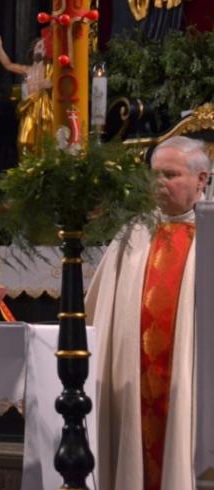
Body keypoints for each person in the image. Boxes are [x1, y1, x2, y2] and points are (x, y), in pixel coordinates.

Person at [86, 135, 210, 490]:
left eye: (170, 175)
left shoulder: (211, 233)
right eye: (154, 174)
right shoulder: (134, 233)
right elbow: (99, 315)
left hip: (190, 382)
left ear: (201, 179)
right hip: (134, 382)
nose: (158, 184)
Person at [0, 32, 53, 158]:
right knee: (24, 140)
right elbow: (8, 65)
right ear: (33, 50)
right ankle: (26, 166)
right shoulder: (26, 69)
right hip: (28, 109)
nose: (41, 49)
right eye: (39, 46)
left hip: (43, 110)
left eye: (44, 47)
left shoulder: (49, 69)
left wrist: (50, 83)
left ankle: (42, 165)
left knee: (43, 141)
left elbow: (57, 80)